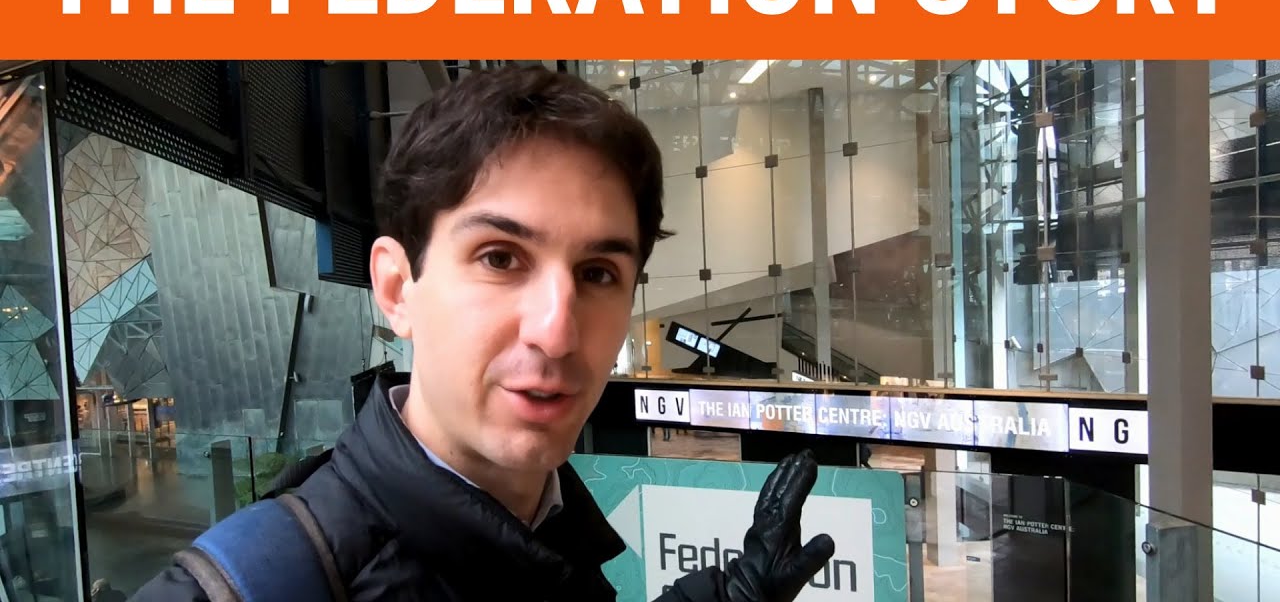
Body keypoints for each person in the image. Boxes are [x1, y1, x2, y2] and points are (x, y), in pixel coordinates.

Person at [132, 65, 834, 601]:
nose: (557, 333)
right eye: (500, 258)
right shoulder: (254, 585)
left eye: (597, 273)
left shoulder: (550, 534)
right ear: (397, 288)